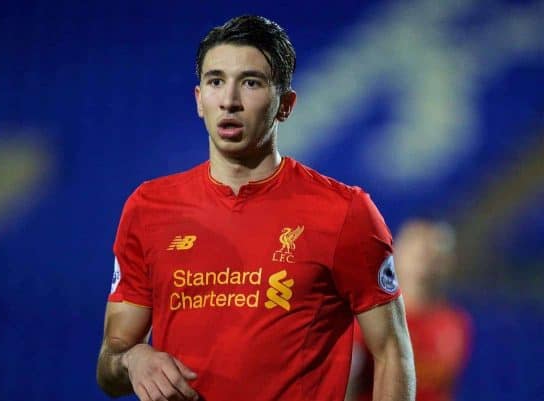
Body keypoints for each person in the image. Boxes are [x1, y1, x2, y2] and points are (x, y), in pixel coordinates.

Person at [96, 15, 415, 401]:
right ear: (199, 100)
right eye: (216, 81)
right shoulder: (148, 208)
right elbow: (110, 361)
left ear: (286, 105)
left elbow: (390, 350)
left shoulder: (345, 212)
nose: (229, 100)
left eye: (250, 82)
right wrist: (133, 359)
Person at [346, 219, 472, 401]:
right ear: (395, 255)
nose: (425, 265)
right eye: (419, 254)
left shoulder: (455, 323)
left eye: (434, 256)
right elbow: (345, 385)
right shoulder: (368, 318)